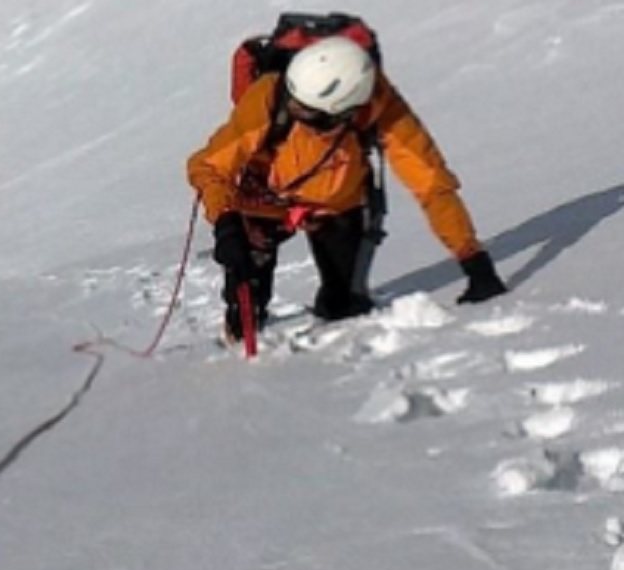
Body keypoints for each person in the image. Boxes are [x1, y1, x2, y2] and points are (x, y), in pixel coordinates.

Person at [186, 35, 507, 341]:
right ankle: (242, 331)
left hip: (337, 205)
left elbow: (430, 182)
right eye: (295, 102)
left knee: (343, 305)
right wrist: (226, 223)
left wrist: (471, 256)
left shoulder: (378, 106)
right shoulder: (270, 95)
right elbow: (209, 165)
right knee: (245, 305)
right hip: (266, 201)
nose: (296, 111)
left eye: (307, 111)